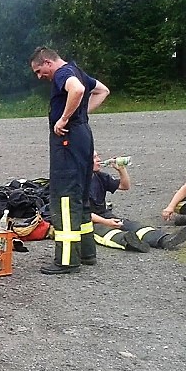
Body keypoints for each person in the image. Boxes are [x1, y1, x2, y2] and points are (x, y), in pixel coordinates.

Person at [30, 46, 110, 274]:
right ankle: (86, 253)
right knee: (80, 196)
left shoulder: (63, 73)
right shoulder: (77, 70)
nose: (39, 76)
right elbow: (102, 90)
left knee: (65, 198)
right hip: (82, 136)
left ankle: (66, 260)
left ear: (48, 62)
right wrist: (79, 114)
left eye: (39, 71)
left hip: (68, 141)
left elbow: (77, 90)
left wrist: (65, 118)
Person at [90, 151, 186, 251]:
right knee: (107, 233)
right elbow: (82, 212)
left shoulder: (100, 176)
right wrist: (105, 222)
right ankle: (129, 242)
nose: (99, 160)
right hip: (86, 221)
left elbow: (124, 186)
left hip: (104, 214)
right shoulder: (80, 183)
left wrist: (121, 169)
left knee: (132, 226)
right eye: (94, 158)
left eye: (98, 156)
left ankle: (164, 239)